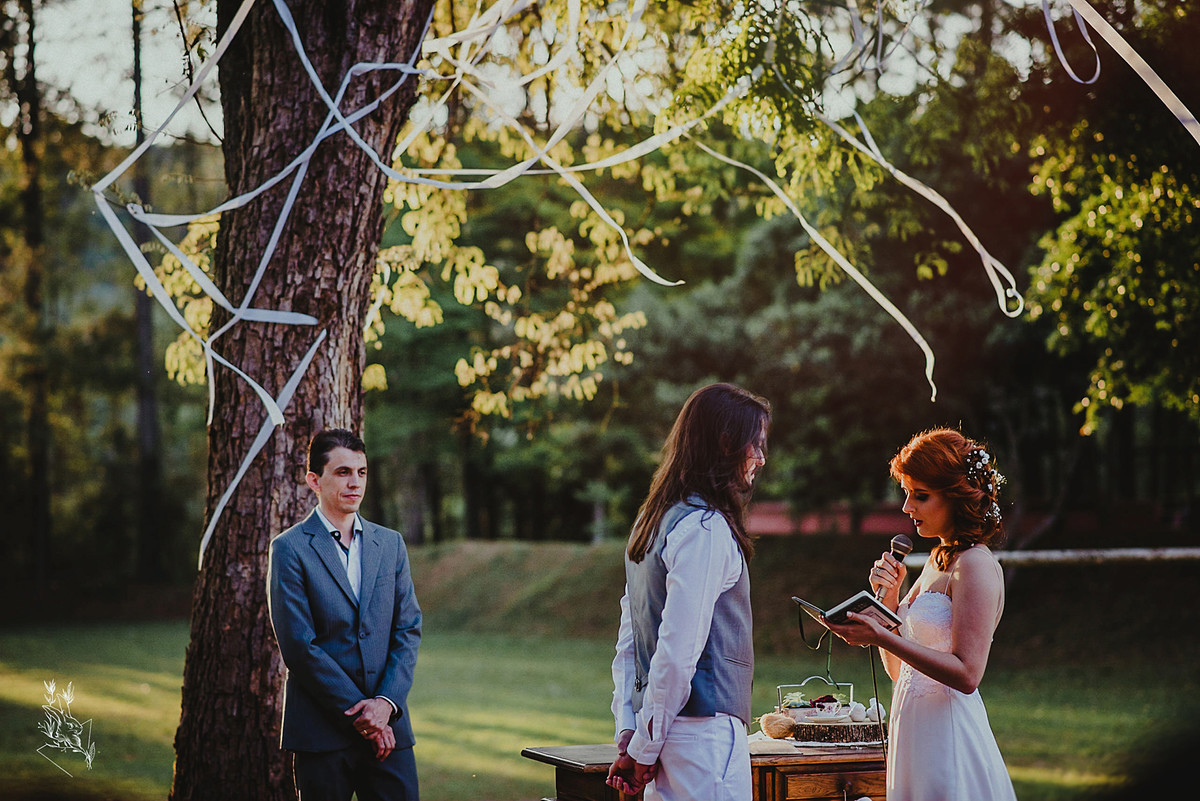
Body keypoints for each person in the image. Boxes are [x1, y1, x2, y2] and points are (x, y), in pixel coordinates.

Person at [823, 427, 1017, 801]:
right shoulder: (934, 561)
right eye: (907, 494)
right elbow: (900, 672)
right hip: (912, 727)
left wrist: (881, 634)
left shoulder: (974, 564)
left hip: (948, 735)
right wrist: (891, 601)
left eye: (921, 496)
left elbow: (967, 674)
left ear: (957, 498)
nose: (907, 507)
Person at [607, 383, 771, 801]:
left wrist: (632, 729)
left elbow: (630, 643)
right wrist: (642, 745)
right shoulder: (705, 528)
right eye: (757, 445)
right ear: (726, 444)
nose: (761, 459)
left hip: (662, 734)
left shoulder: (651, 520)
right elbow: (678, 652)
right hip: (703, 741)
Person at [268, 428, 422, 800]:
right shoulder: (289, 549)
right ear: (314, 480)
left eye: (361, 472)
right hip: (321, 734)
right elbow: (300, 648)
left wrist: (385, 705)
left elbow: (408, 630)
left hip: (390, 730)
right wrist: (365, 720)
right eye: (342, 472)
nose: (355, 482)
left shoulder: (391, 544)